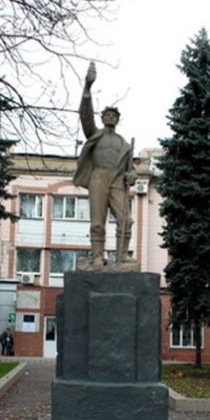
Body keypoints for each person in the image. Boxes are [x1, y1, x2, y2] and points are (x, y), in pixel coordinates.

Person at [73, 61, 137, 268]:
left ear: (118, 120)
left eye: (114, 116)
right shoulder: (95, 135)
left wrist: (132, 176)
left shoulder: (123, 144)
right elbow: (85, 117)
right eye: (107, 115)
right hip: (98, 177)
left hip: (117, 180)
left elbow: (131, 169)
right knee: (98, 222)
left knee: (125, 220)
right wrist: (87, 88)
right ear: (102, 118)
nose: (110, 117)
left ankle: (122, 256)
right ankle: (97, 256)